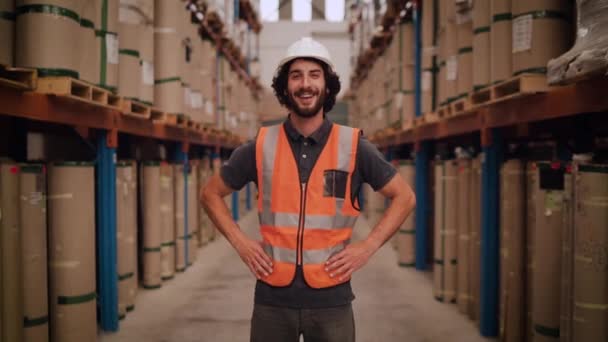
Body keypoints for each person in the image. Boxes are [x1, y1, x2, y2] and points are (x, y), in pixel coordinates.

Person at [201, 37, 416, 342]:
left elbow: (404, 197)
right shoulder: (261, 146)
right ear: (285, 87)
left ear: (327, 86)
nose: (305, 84)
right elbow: (210, 193)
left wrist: (367, 247)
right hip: (272, 299)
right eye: (296, 75)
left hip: (332, 299)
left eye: (315, 75)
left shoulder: (353, 146)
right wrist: (242, 243)